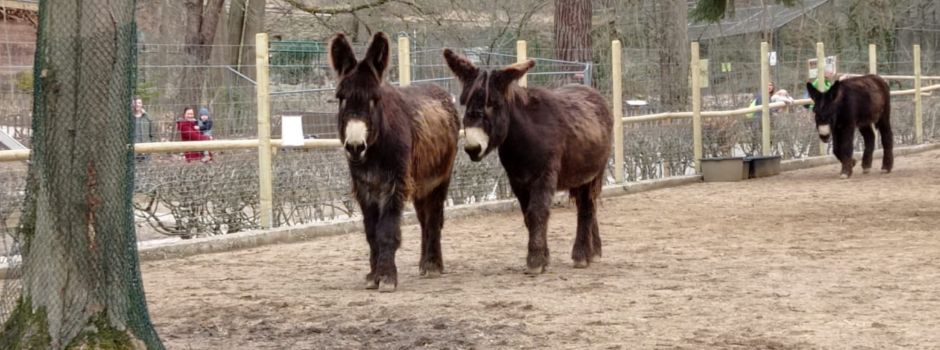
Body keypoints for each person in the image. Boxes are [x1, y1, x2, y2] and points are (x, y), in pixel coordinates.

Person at [132, 96, 154, 162]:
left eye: (139, 103)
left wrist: (150, 146)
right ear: (132, 104)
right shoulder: (129, 118)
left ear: (142, 104)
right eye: (135, 103)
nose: (137, 105)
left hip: (145, 151)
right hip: (133, 152)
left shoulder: (147, 117)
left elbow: (152, 134)